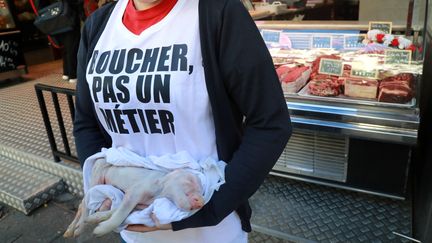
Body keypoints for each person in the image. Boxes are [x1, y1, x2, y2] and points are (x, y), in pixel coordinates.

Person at [73, 0, 292, 241]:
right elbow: (86, 122)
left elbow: (270, 123)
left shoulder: (218, 13)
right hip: (134, 229)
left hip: (209, 229)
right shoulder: (98, 25)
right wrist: (101, 185)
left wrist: (211, 208)